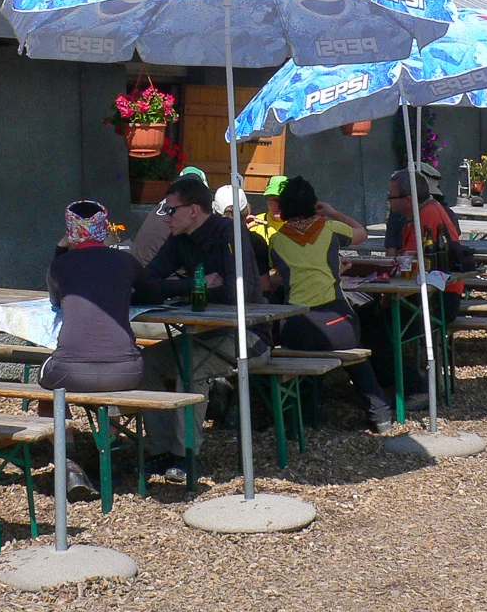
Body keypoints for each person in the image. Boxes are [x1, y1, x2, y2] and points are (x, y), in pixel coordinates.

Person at [137, 176, 267, 481]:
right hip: (200, 336)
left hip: (249, 337)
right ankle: (161, 450)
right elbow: (147, 284)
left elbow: (241, 293)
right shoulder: (179, 239)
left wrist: (183, 290)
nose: (165, 217)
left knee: (190, 365)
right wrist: (194, 284)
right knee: (144, 364)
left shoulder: (229, 234)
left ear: (194, 209)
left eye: (171, 210)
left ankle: (186, 456)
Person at [38, 200, 156, 496]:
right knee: (110, 390)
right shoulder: (125, 262)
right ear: (105, 229)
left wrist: (60, 248)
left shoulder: (60, 265)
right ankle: (109, 451)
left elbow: (55, 300)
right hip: (126, 371)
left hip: (69, 372)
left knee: (45, 392)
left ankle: (70, 461)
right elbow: (153, 289)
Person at [266, 177, 394, 432]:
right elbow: (362, 232)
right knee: (355, 350)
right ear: (314, 204)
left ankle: (306, 416)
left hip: (297, 329)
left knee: (301, 349)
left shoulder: (277, 241)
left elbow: (282, 277)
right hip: (338, 325)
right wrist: (334, 212)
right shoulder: (329, 227)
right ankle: (380, 414)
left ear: (285, 207)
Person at [130, 165, 211, 269]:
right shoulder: (181, 224)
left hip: (140, 275)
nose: (167, 219)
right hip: (155, 280)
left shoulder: (161, 207)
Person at [213, 184, 271, 288]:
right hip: (249, 301)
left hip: (209, 300)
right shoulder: (255, 242)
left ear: (214, 212)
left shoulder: (205, 239)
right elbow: (265, 286)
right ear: (248, 210)